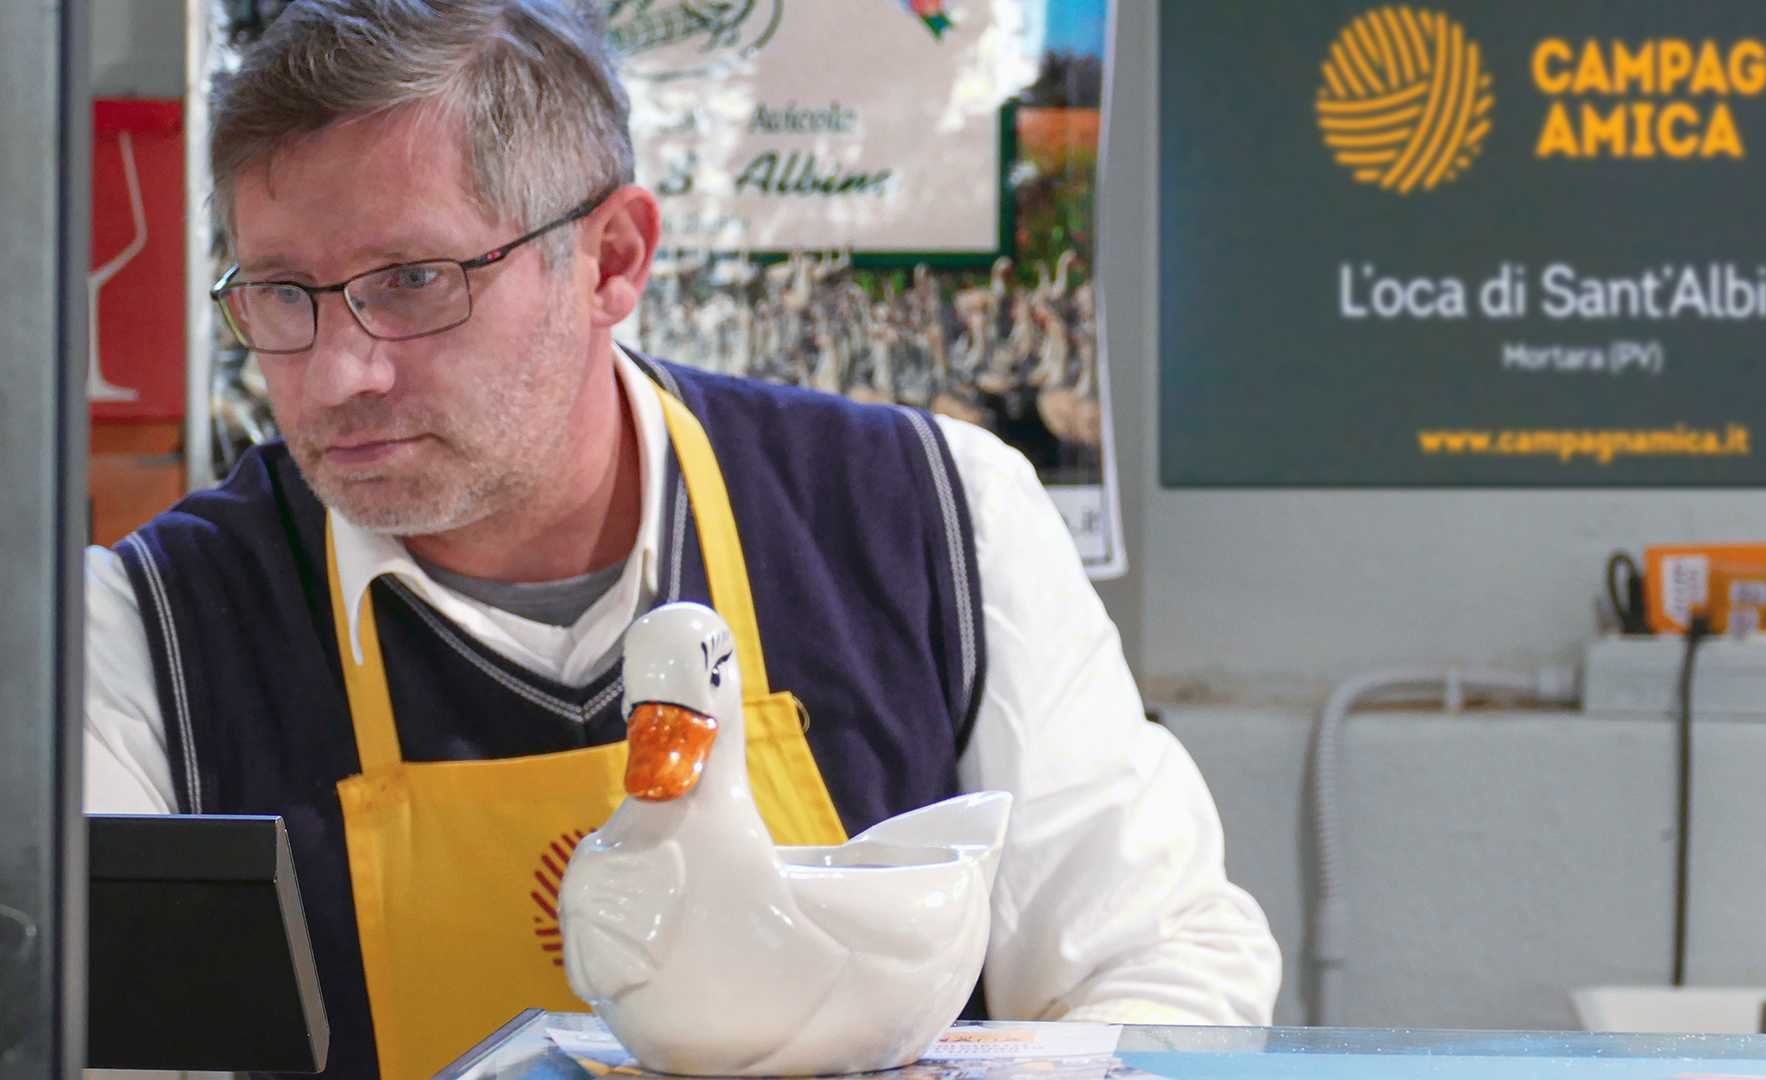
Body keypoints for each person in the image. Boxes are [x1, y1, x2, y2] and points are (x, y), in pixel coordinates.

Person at [82, 1, 1280, 1075]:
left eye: (412, 280)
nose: (340, 371)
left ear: (612, 259)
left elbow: (1161, 968)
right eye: (283, 294)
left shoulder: (935, 517)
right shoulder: (147, 633)